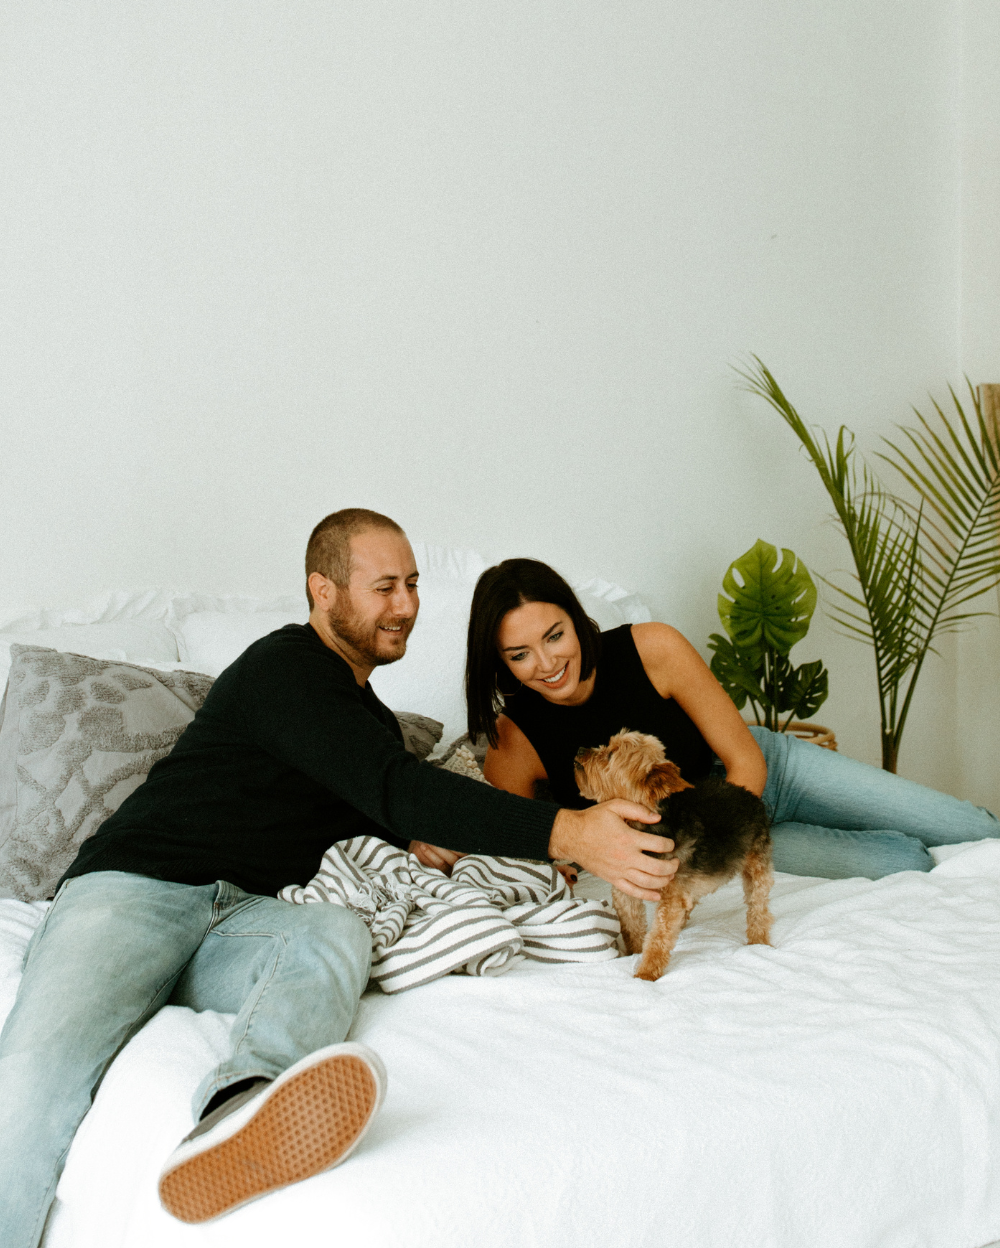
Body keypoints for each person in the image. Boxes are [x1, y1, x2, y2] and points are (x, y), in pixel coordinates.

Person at [0, 512, 679, 1246]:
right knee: (41, 1072)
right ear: (322, 591)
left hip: (248, 918)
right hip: (136, 890)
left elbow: (382, 798)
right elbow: (395, 786)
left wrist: (420, 838)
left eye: (413, 584)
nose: (407, 604)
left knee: (333, 932)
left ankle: (236, 1114)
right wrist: (568, 830)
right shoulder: (284, 667)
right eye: (384, 586)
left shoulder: (370, 723)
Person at [461, 557, 1000, 882]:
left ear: (575, 620)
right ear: (500, 662)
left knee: (971, 828)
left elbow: (745, 759)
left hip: (769, 774)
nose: (548, 663)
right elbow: (519, 838)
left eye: (555, 635)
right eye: (520, 654)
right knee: (903, 864)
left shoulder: (653, 648)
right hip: (703, 837)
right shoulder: (516, 737)